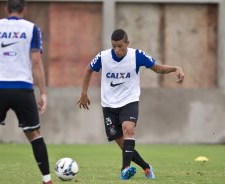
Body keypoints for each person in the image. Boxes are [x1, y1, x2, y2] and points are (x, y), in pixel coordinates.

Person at [77, 29, 185, 180]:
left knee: (128, 128)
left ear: (127, 43)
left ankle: (125, 169)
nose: (117, 50)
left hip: (129, 100)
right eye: (114, 46)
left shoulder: (137, 56)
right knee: (125, 146)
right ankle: (146, 167)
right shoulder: (103, 56)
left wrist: (176, 68)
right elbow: (89, 70)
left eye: (120, 46)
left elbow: (157, 68)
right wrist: (84, 93)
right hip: (108, 105)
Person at [0, 0, 54, 183]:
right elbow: (36, 62)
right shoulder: (32, 28)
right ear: (24, 9)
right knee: (35, 134)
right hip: (22, 88)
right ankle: (47, 179)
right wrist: (43, 93)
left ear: (6, 9)